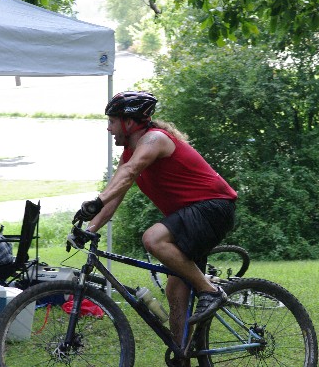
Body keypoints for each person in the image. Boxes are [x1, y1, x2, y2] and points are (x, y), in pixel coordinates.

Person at [74, 91, 237, 364]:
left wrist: (96, 201)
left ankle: (209, 291)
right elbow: (114, 194)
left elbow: (128, 174)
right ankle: (182, 355)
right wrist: (89, 228)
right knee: (176, 291)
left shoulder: (155, 139)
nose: (108, 127)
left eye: (113, 121)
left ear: (130, 122)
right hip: (195, 215)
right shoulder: (130, 153)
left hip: (213, 207)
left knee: (153, 238)